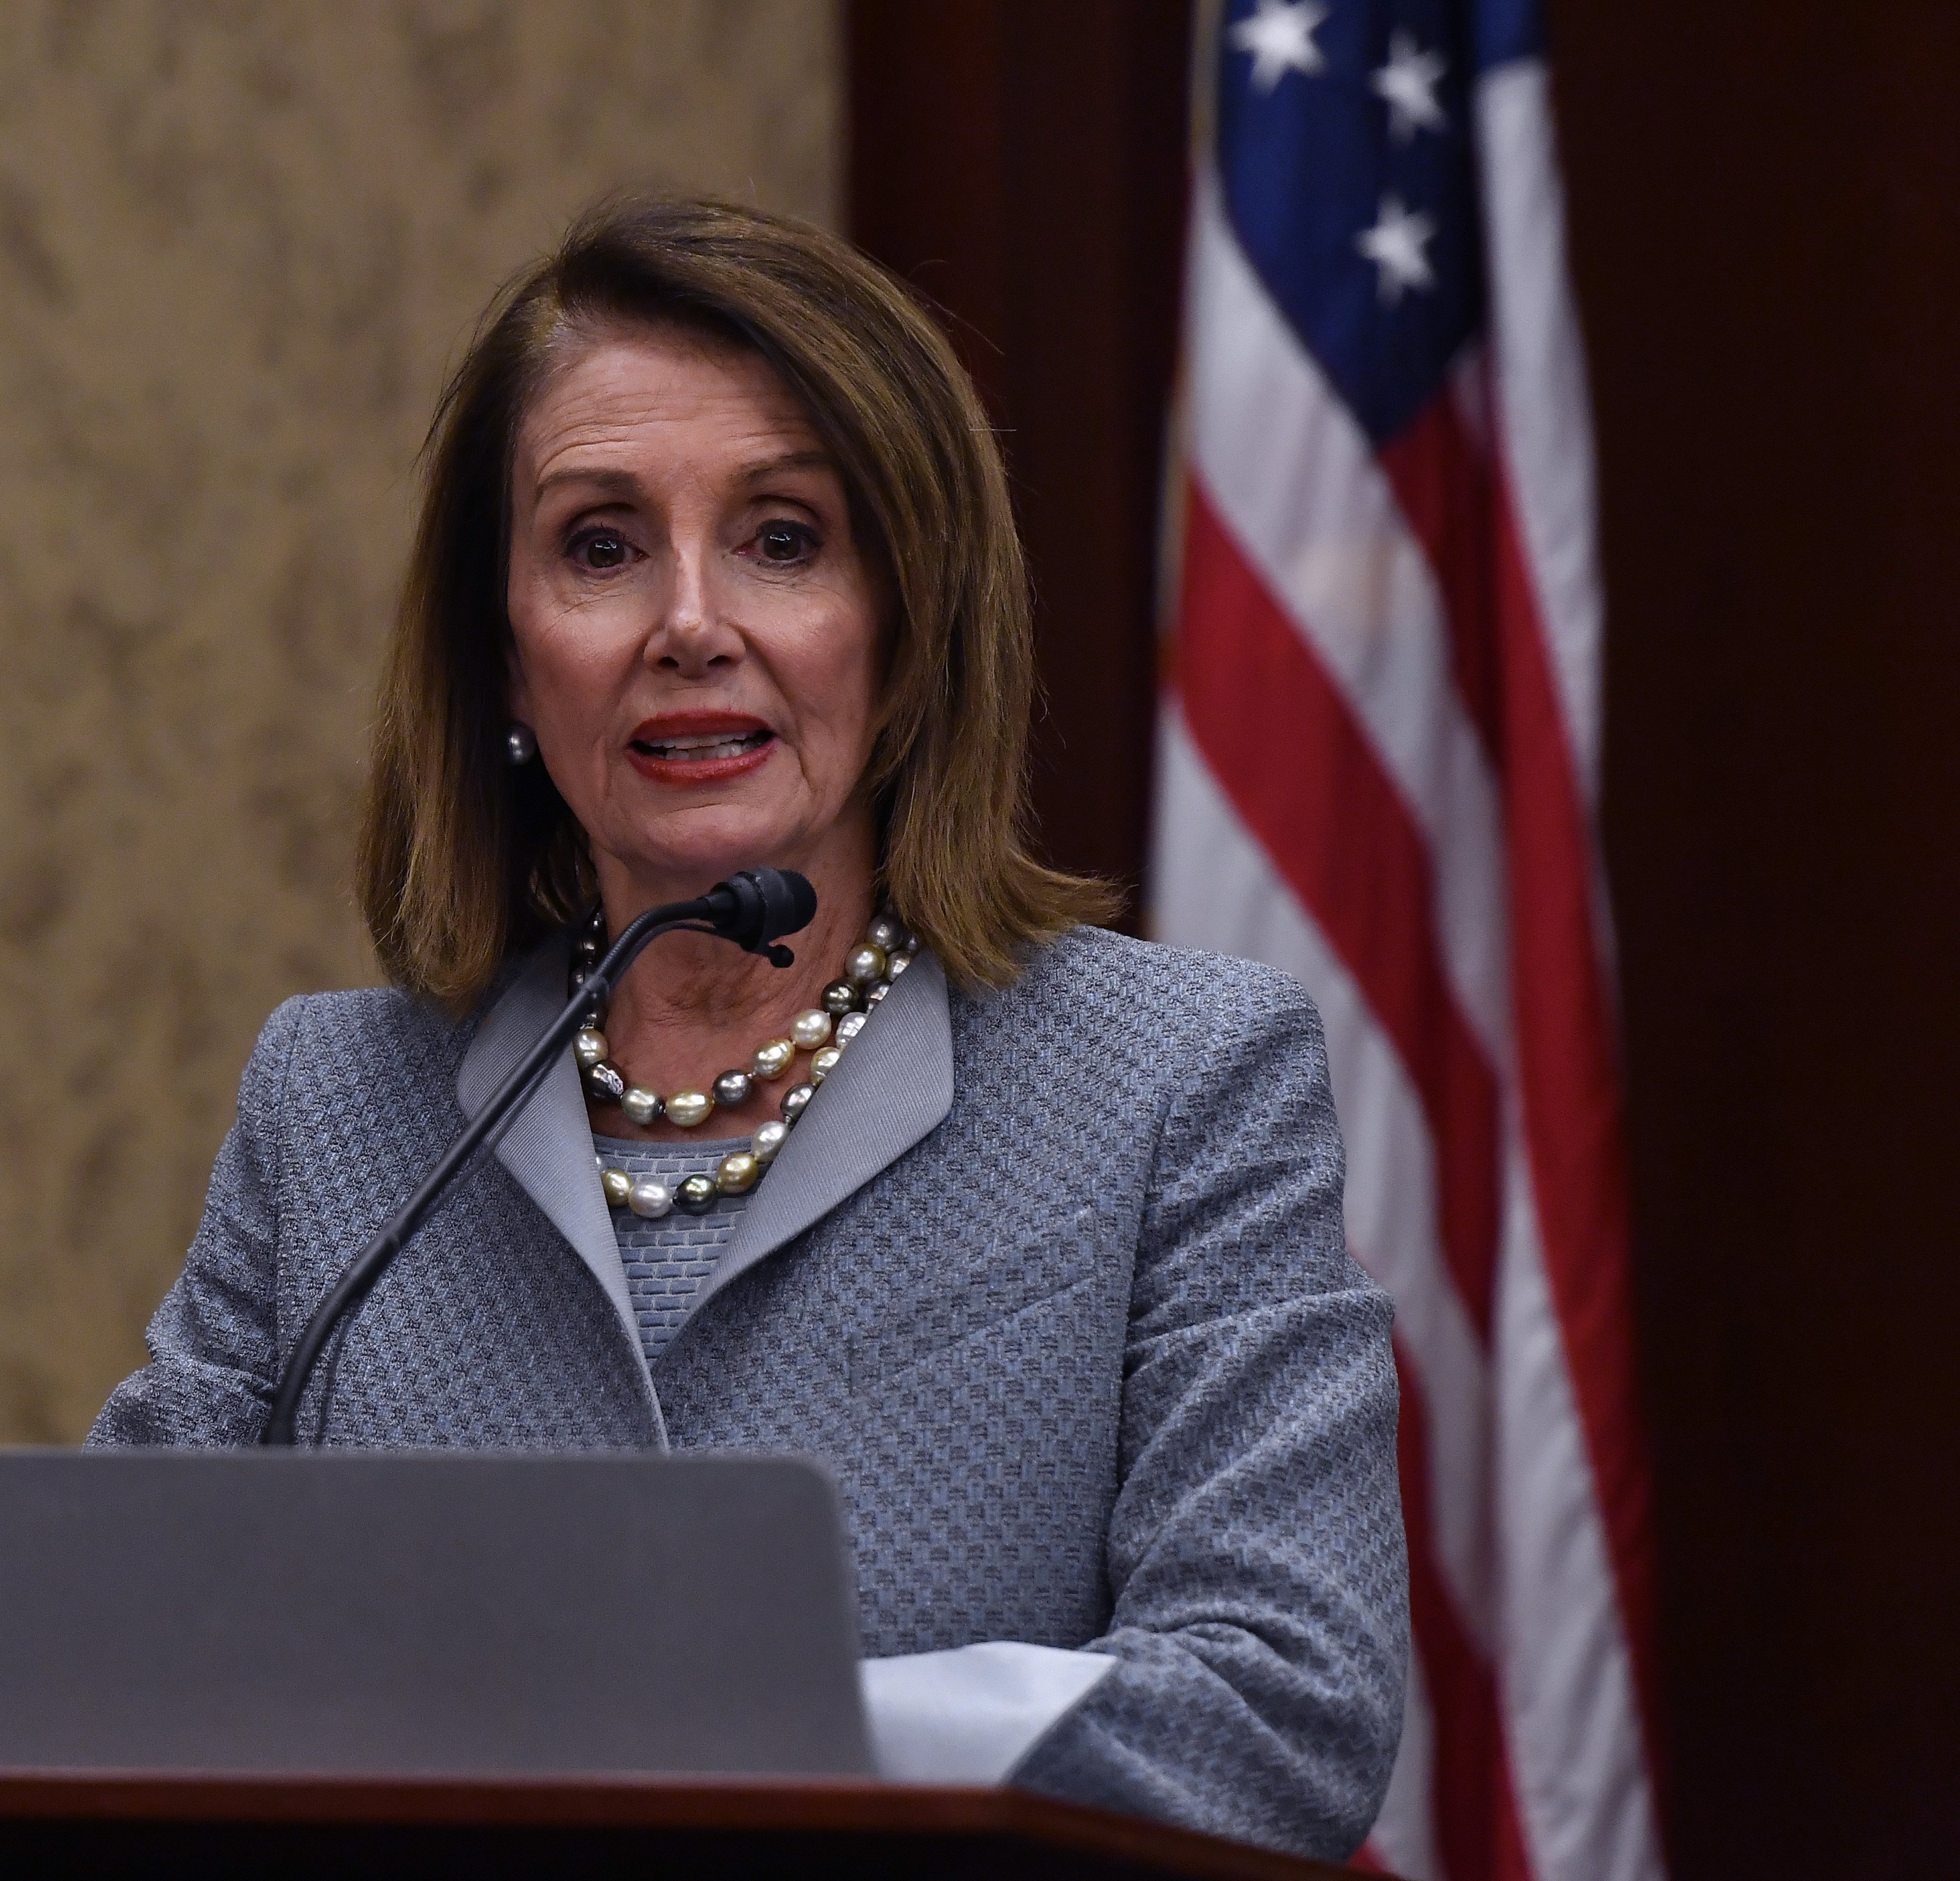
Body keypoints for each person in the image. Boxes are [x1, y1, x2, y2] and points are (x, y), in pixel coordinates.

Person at [90, 195, 1406, 1859]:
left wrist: (734, 1727)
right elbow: (100, 1658)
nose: (689, 622)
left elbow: (1281, 1715)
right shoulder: (339, 1104)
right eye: (599, 545)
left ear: (906, 624)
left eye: (785, 538)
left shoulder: (1175, 1082)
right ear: (505, 659)